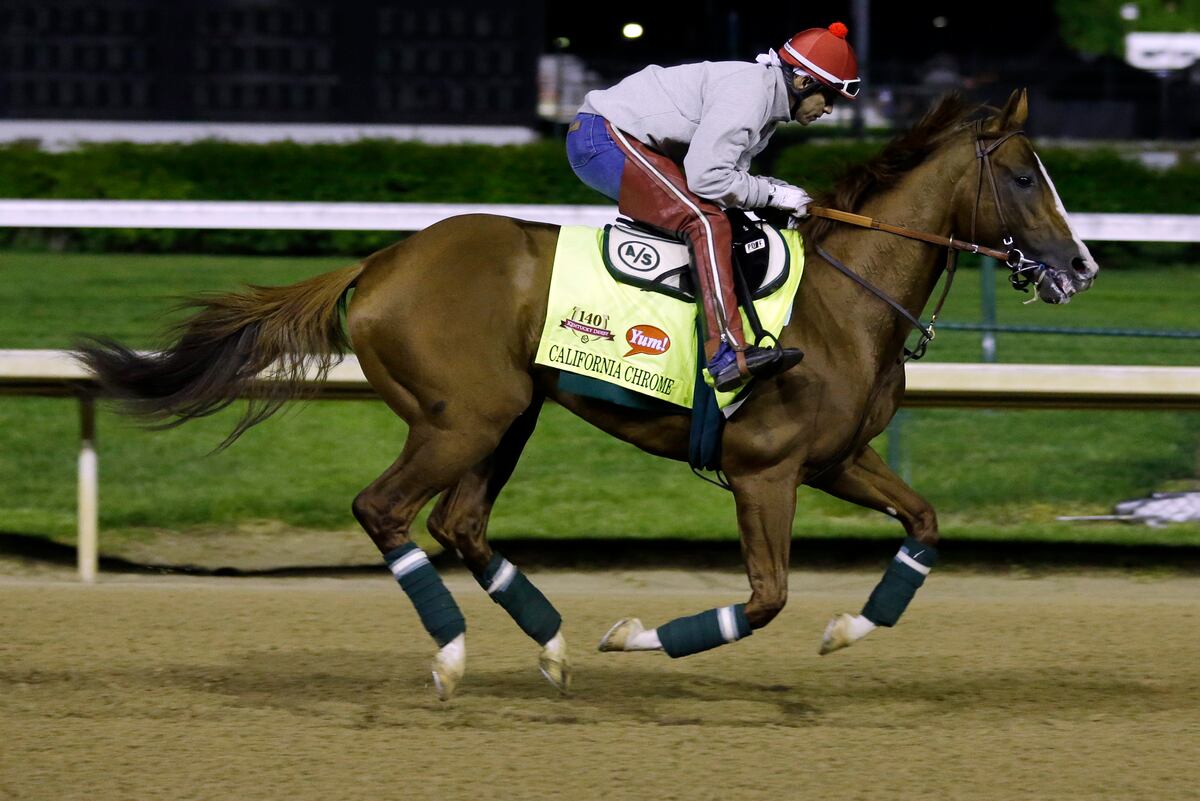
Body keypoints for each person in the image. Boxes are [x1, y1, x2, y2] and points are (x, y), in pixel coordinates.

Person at [566, 22, 860, 392]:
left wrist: (776, 193)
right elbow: (708, 179)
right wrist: (773, 194)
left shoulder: (763, 100)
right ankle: (724, 354)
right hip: (604, 136)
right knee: (704, 222)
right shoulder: (751, 93)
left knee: (719, 219)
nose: (829, 109)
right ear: (803, 82)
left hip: (620, 137)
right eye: (829, 97)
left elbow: (729, 182)